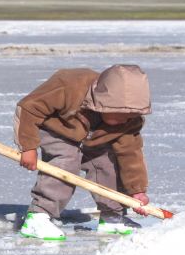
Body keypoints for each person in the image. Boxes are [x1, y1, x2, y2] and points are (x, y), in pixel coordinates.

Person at [14, 64, 152, 241]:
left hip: (92, 138)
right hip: (55, 129)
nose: (124, 120)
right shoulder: (71, 86)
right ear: (103, 102)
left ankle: (112, 217)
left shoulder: (128, 120)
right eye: (119, 114)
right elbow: (28, 109)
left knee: (106, 165)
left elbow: (131, 154)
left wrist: (137, 191)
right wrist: (28, 147)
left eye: (130, 116)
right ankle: (38, 217)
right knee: (67, 160)